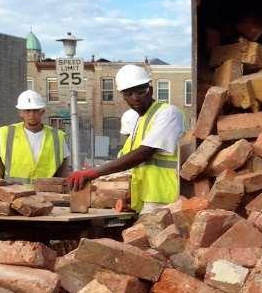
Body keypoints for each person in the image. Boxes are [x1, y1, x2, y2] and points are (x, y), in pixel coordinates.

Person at [68, 65, 184, 212]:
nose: (135, 98)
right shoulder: (139, 121)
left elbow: (144, 153)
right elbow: (126, 162)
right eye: (128, 94)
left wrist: (93, 173)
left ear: (151, 90)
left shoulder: (168, 113)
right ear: (123, 96)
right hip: (143, 199)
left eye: (140, 92)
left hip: (163, 200)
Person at [0, 90, 70, 182]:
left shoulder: (57, 137)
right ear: (21, 113)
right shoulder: (4, 134)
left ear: (42, 112)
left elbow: (63, 173)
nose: (31, 115)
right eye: (27, 111)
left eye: (35, 110)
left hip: (47, 194)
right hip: (13, 194)